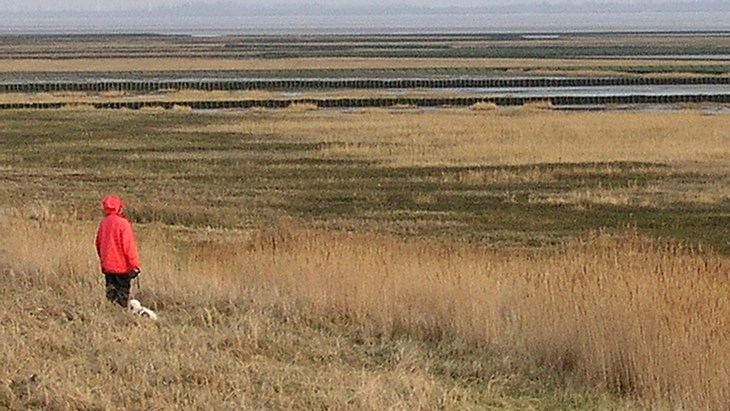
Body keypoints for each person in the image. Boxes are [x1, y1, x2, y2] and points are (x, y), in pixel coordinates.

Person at [95, 195, 141, 307]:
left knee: (110, 296)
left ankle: (111, 316)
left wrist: (103, 261)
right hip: (122, 268)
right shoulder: (123, 224)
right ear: (119, 207)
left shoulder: (104, 223)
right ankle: (120, 318)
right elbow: (128, 247)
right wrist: (135, 265)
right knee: (122, 297)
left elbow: (98, 244)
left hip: (107, 267)